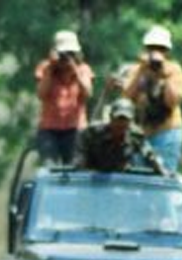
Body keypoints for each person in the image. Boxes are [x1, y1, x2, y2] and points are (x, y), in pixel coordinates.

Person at [122, 25, 182, 172]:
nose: (156, 52)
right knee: (137, 176)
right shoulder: (137, 69)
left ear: (167, 51)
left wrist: (163, 75)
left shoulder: (174, 70)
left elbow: (172, 101)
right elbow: (127, 97)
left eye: (160, 49)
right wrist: (142, 70)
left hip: (167, 132)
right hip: (140, 133)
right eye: (152, 48)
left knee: (164, 175)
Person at [35, 30, 95, 165]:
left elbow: (88, 93)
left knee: (74, 167)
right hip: (49, 129)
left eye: (70, 54)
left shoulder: (83, 69)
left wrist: (75, 70)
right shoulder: (45, 68)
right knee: (50, 166)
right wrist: (50, 70)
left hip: (75, 129)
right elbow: (41, 94)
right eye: (63, 54)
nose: (65, 58)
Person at [76, 98, 166, 174]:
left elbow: (149, 154)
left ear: (131, 121)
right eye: (118, 119)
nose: (121, 123)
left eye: (125, 119)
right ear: (111, 118)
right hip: (92, 178)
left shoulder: (135, 136)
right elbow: (80, 156)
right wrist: (80, 165)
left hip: (120, 178)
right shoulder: (93, 133)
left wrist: (160, 167)